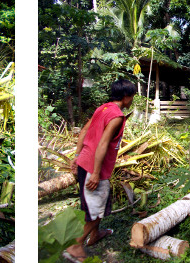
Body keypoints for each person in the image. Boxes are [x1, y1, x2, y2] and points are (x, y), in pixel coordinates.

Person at [64, 79, 137, 262]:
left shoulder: (103, 108)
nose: (133, 99)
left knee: (94, 204)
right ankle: (76, 245)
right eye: (133, 96)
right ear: (126, 96)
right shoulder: (117, 116)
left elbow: (83, 131)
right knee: (97, 211)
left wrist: (77, 155)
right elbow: (103, 144)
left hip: (84, 162)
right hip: (94, 168)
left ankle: (94, 235)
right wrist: (96, 173)